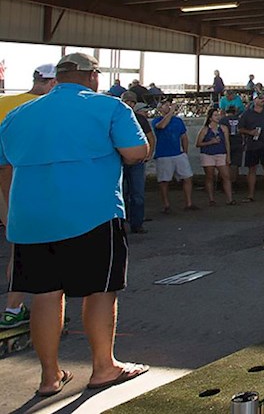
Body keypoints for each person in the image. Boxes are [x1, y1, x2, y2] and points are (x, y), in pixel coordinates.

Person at [0, 52, 151, 396]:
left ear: (58, 78)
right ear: (92, 76)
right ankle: (103, 367)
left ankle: (49, 378)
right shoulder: (110, 107)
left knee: (44, 295)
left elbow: (5, 164)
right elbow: (135, 152)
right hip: (92, 214)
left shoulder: (18, 115)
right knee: (100, 290)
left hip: (31, 219)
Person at [0, 64, 56, 330]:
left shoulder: (7, 102)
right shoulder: (40, 110)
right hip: (14, 183)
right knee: (22, 246)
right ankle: (13, 308)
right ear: (53, 83)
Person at [119, 93, 154, 235]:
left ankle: (136, 223)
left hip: (136, 161)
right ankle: (122, 223)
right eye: (127, 101)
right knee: (121, 193)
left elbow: (151, 138)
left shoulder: (140, 119)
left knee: (137, 194)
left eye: (132, 102)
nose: (130, 104)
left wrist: (148, 154)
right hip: (120, 161)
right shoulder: (115, 118)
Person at [152, 101, 195, 213]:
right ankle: (166, 205)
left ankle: (189, 203)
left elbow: (184, 136)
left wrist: (185, 152)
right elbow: (162, 126)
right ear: (160, 108)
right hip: (163, 154)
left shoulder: (178, 121)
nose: (169, 107)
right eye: (166, 105)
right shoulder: (156, 121)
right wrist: (171, 112)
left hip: (178, 154)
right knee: (164, 180)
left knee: (187, 177)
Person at [238, 93, 264, 202]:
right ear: (254, 100)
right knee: (252, 169)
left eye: (263, 98)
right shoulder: (247, 114)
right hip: (252, 145)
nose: (262, 100)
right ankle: (250, 195)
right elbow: (240, 129)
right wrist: (250, 132)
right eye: (260, 98)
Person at [196, 107, 234, 207]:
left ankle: (229, 199)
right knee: (210, 176)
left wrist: (228, 156)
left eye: (219, 115)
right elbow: (198, 143)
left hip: (221, 153)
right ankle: (211, 199)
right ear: (210, 118)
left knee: (226, 176)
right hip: (208, 154)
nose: (218, 117)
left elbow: (227, 143)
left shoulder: (223, 128)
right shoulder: (205, 129)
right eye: (215, 115)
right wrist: (210, 142)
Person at [221, 106, 244, 185]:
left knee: (226, 163)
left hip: (225, 143)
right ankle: (234, 182)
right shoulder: (240, 120)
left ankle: (226, 183)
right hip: (238, 142)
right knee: (235, 164)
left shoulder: (223, 120)